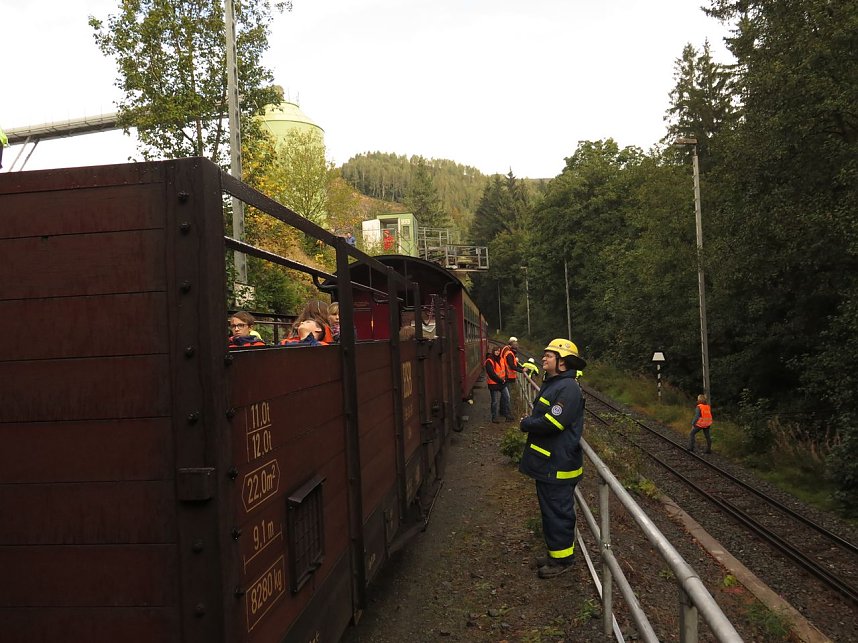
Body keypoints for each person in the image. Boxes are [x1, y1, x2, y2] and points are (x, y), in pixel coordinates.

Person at [519, 338, 587, 579]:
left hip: (557, 465)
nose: (544, 358)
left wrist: (526, 424)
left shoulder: (567, 388)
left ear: (561, 362)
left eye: (549, 355)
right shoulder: (555, 383)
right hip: (548, 463)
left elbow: (553, 422)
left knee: (558, 513)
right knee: (550, 512)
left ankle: (563, 560)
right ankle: (555, 553)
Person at [484, 346, 509, 423]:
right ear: (493, 351)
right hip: (494, 384)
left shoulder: (501, 359)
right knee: (495, 401)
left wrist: (506, 378)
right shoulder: (489, 361)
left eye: (499, 351)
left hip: (502, 383)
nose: (497, 352)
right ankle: (494, 417)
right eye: (496, 351)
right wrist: (501, 381)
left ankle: (506, 414)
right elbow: (492, 374)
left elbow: (505, 370)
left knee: (507, 397)